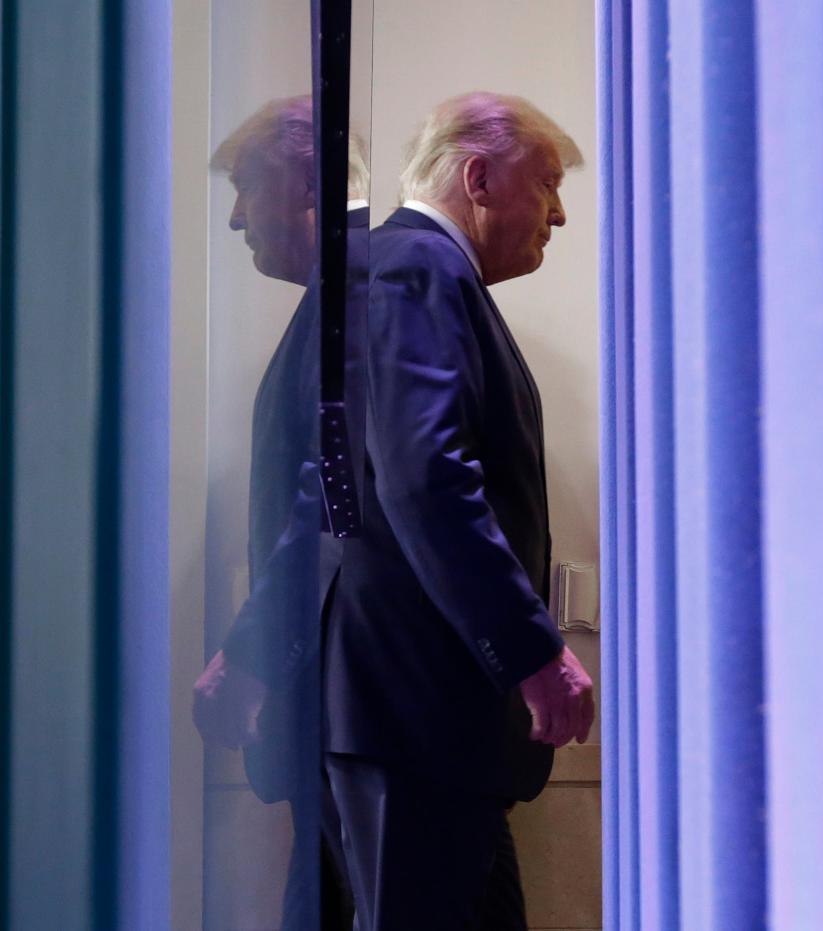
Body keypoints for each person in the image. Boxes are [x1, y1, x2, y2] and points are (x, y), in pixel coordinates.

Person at [323, 92, 596, 930]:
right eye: (546, 182)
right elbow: (426, 475)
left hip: (429, 722)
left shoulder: (422, 273)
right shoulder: (418, 265)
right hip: (419, 715)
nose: (557, 211)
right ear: (477, 176)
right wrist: (532, 652)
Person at [192, 95, 365, 931]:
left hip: (348, 711)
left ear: (305, 182)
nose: (233, 220)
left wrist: (249, 654)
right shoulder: (335, 302)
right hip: (337, 714)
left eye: (243, 189)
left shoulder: (352, 300)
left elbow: (328, 504)